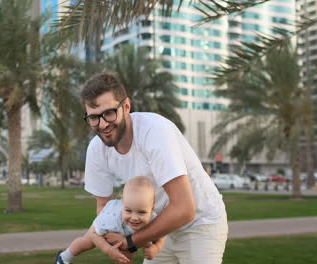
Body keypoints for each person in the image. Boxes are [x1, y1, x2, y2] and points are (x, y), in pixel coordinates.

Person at [79, 72, 228, 264]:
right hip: (158, 227)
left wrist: (130, 241)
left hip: (200, 223)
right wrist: (115, 246)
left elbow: (184, 209)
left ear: (126, 106)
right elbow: (104, 209)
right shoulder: (97, 149)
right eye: (93, 118)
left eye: (109, 113)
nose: (102, 124)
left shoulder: (155, 132)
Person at [55, 176, 165, 263]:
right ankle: (64, 257)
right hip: (110, 224)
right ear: (123, 204)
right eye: (128, 211)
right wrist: (108, 250)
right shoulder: (110, 219)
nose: (134, 218)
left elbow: (162, 234)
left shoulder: (153, 219)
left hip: (127, 234)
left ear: (152, 208)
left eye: (141, 212)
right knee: (87, 242)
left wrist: (157, 247)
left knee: (125, 257)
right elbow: (95, 235)